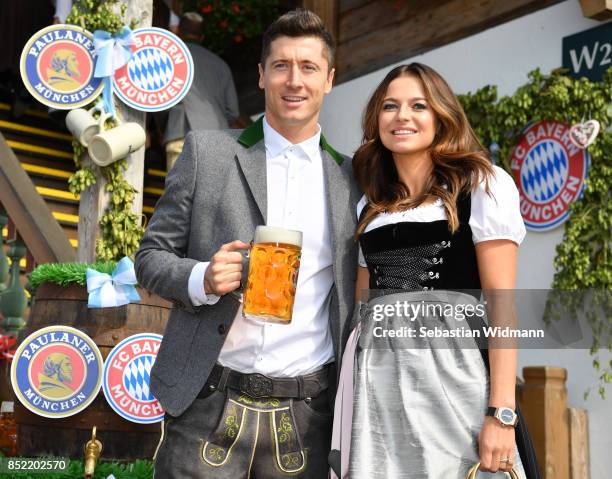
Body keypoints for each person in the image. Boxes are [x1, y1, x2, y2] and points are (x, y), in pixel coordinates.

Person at [135, 9, 359, 479]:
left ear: (330, 79)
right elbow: (150, 259)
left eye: (308, 67)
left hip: (306, 416)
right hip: (207, 400)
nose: (294, 80)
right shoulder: (208, 153)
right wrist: (201, 277)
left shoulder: (351, 178)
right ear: (260, 75)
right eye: (281, 66)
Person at [331, 63, 541, 478]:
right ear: (377, 119)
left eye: (418, 106)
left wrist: (502, 413)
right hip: (376, 390)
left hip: (453, 380)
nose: (402, 116)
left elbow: (502, 308)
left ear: (442, 116)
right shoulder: (368, 206)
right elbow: (361, 310)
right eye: (390, 106)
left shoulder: (481, 185)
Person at [163, 12, 239, 171]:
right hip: (218, 141)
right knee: (213, 195)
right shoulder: (221, 65)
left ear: (178, 33)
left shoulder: (167, 60)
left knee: (179, 195)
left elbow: (157, 102)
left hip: (181, 136)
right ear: (202, 37)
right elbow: (232, 112)